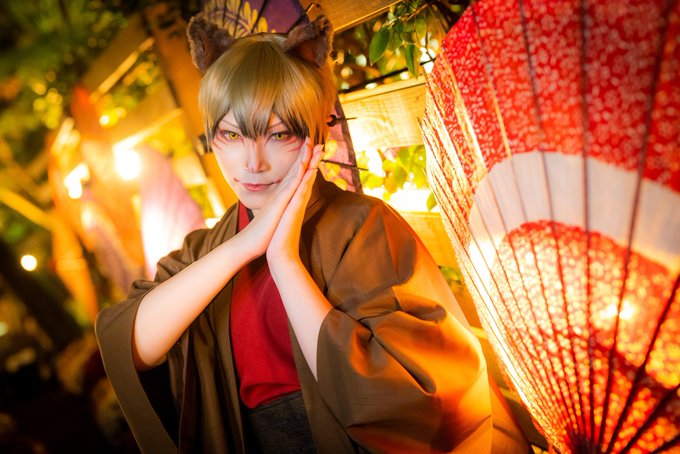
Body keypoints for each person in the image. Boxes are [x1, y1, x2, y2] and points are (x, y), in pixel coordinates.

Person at [95, 13, 529, 454]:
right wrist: (244, 246)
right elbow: (129, 345)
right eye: (231, 134)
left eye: (278, 134)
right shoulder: (208, 248)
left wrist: (285, 263)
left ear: (315, 133)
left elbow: (416, 402)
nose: (253, 163)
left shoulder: (363, 228)